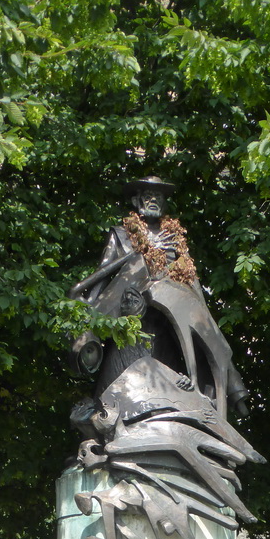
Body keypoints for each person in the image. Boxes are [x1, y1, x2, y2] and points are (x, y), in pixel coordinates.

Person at [69, 176, 251, 420]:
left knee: (169, 400)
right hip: (131, 327)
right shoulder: (121, 235)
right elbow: (104, 278)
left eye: (159, 197)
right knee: (118, 398)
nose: (153, 200)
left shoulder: (176, 243)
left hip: (167, 331)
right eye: (147, 196)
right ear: (136, 201)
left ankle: (229, 394)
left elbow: (193, 295)